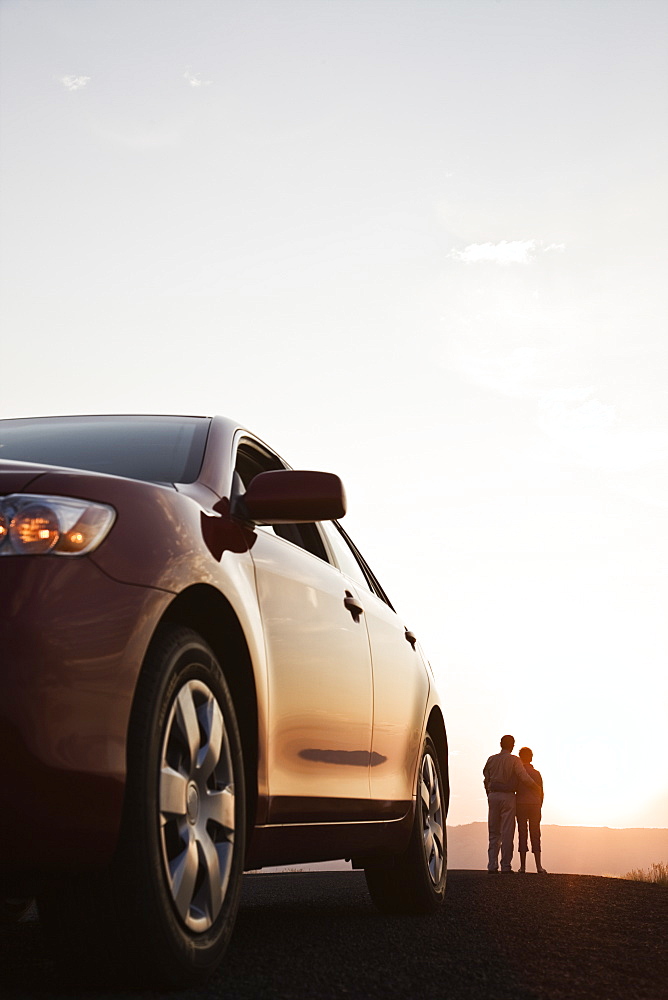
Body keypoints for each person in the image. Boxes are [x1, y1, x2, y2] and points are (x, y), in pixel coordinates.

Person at [483, 735, 540, 873]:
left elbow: (486, 777)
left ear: (500, 744)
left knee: (494, 831)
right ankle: (506, 866)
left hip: (493, 795)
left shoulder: (491, 759)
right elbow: (523, 777)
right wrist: (535, 786)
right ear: (512, 745)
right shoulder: (514, 760)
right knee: (507, 831)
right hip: (508, 796)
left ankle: (492, 865)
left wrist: (489, 793)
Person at [516, 746, 547, 873]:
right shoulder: (537, 773)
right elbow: (541, 792)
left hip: (521, 804)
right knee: (535, 834)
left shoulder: (518, 772)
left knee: (522, 833)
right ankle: (538, 866)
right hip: (534, 805)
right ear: (531, 757)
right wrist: (539, 804)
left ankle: (522, 867)